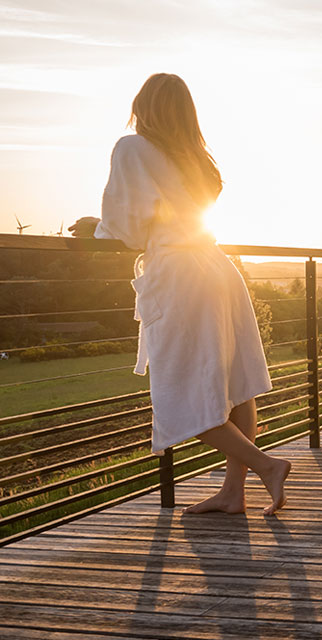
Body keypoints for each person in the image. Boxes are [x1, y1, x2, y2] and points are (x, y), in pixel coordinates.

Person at [70, 73, 290, 515]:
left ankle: (266, 466)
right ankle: (233, 492)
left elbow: (128, 229)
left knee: (180, 395)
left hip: (180, 278)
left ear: (143, 107)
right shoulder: (196, 160)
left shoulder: (132, 148)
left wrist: (94, 227)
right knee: (236, 384)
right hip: (216, 268)